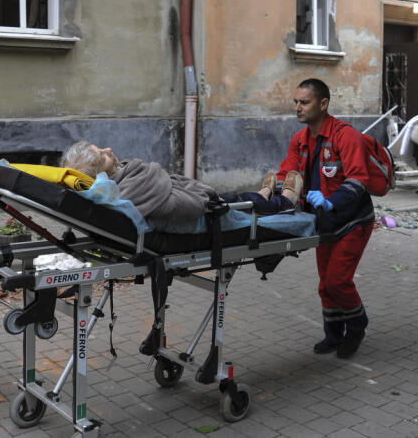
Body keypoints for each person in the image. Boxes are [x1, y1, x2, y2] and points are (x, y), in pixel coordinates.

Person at [277, 78, 374, 359]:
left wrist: (330, 201)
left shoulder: (346, 136)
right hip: (325, 222)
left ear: (323, 104)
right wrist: (272, 193)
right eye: (295, 102)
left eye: (304, 102)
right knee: (325, 283)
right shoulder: (300, 140)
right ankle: (333, 336)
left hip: (353, 221)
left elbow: (359, 180)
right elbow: (288, 174)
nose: (297, 107)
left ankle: (357, 327)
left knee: (338, 281)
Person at [60, 141, 304, 225]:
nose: (109, 149)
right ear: (96, 171)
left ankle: (261, 195)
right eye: (102, 154)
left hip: (189, 194)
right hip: (200, 209)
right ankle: (284, 202)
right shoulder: (125, 190)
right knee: (238, 203)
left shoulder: (114, 185)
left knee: (235, 196)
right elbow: (162, 183)